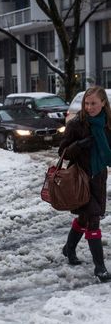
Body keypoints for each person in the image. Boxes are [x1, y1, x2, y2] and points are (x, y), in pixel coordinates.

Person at [59, 85, 111, 282]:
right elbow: (62, 153)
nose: (89, 107)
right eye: (86, 103)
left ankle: (68, 248)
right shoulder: (76, 124)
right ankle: (100, 268)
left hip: (98, 177)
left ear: (103, 103)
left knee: (84, 218)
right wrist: (79, 145)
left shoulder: (108, 124)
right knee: (93, 219)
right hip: (79, 179)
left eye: (93, 103)